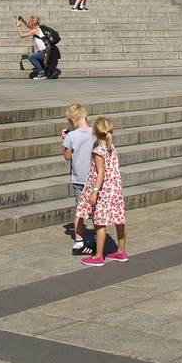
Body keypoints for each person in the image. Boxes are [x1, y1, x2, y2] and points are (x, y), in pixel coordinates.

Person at [77, 116, 128, 266]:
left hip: (104, 191)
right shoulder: (112, 148)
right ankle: (121, 251)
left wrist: (94, 191)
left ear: (94, 132)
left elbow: (101, 173)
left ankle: (98, 256)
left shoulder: (98, 151)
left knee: (100, 223)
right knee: (119, 220)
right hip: (115, 189)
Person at [61, 104, 95, 254]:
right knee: (96, 210)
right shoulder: (95, 133)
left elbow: (67, 157)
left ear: (71, 120)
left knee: (80, 210)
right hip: (94, 179)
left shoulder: (71, 136)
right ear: (86, 117)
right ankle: (96, 237)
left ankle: (79, 241)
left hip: (78, 179)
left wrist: (65, 139)